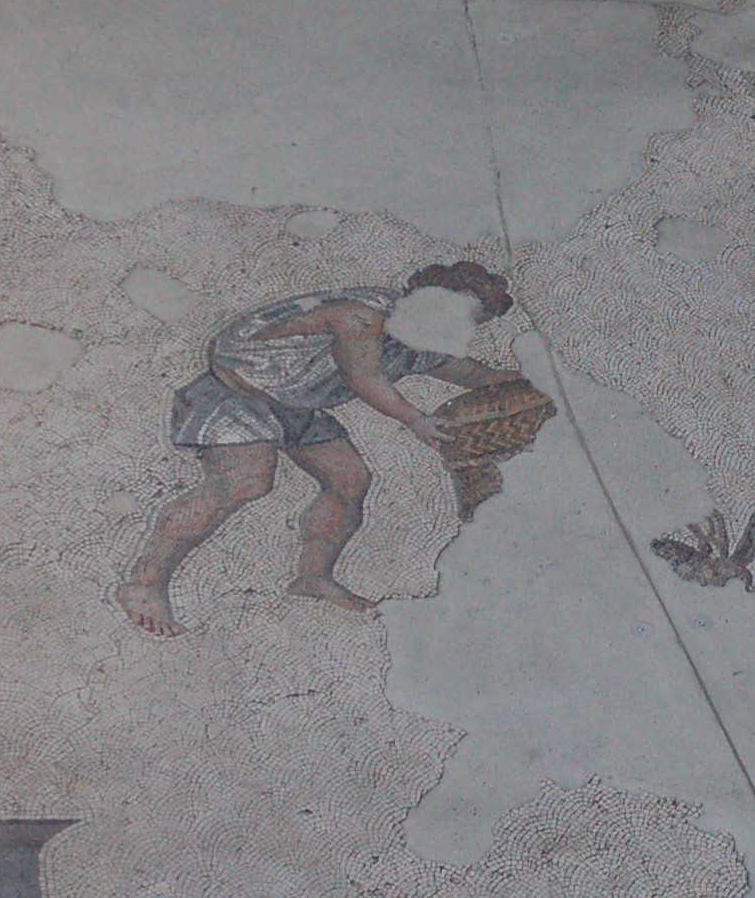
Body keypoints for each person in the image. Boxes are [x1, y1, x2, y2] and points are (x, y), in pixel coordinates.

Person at [117, 262, 521, 636]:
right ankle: (145, 582)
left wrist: (528, 380)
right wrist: (415, 419)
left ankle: (312, 578)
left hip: (294, 403)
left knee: (349, 479)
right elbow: (363, 377)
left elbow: (468, 372)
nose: (460, 330)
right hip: (237, 391)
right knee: (243, 482)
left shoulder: (417, 332)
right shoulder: (362, 317)